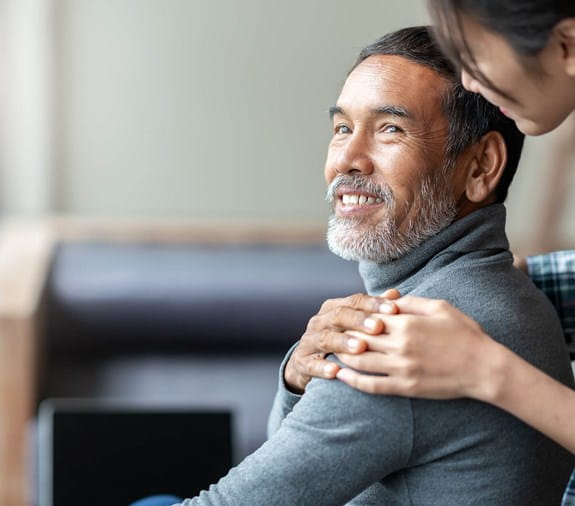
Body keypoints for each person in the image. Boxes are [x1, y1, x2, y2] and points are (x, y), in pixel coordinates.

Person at [133, 26, 574, 505]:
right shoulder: (508, 297)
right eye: (342, 128)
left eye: (390, 129)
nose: (346, 159)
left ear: (481, 166)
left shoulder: (409, 343)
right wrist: (298, 381)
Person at [282, 1, 575, 504]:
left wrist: (487, 366)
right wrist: (494, 288)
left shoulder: (444, 347)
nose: (469, 78)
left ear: (567, 45)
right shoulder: (465, 301)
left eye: (476, 52)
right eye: (342, 128)